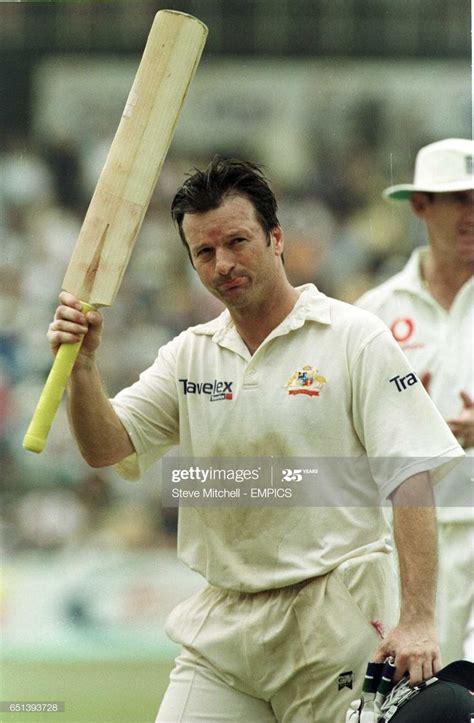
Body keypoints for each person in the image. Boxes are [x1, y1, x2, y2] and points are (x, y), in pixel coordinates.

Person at [48, 158, 464, 722]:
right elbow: (107, 447)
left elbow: (409, 478)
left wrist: (417, 618)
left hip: (335, 615)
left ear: (276, 238)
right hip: (224, 622)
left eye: (237, 242)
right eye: (204, 252)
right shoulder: (188, 354)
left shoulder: (354, 337)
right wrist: (83, 369)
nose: (223, 265)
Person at [357, 138, 474, 666]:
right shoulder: (374, 313)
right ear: (421, 205)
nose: (473, 214)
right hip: (410, 542)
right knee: (422, 700)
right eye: (460, 200)